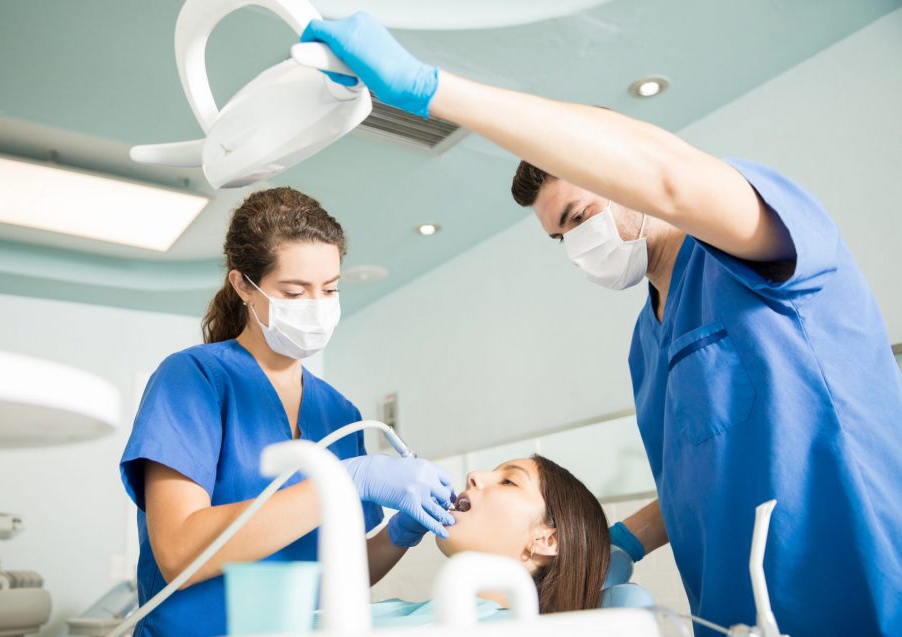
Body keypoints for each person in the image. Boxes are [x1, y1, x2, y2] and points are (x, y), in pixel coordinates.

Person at [298, 14, 902, 637]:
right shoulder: (647, 347)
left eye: (579, 214)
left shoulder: (764, 253)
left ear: (623, 181)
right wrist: (624, 540)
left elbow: (668, 177)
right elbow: (709, 474)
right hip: (734, 618)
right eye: (560, 236)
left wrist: (430, 90)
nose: (576, 245)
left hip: (862, 598)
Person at [119, 187, 456, 637]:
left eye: (331, 289)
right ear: (243, 286)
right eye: (295, 292)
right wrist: (349, 478)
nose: (317, 305)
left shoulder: (340, 412)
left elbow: (341, 572)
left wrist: (399, 535)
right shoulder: (193, 380)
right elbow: (179, 550)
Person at [365, 454, 611, 628]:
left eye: (508, 481)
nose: (473, 475)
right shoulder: (426, 615)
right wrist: (391, 536)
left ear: (547, 540)